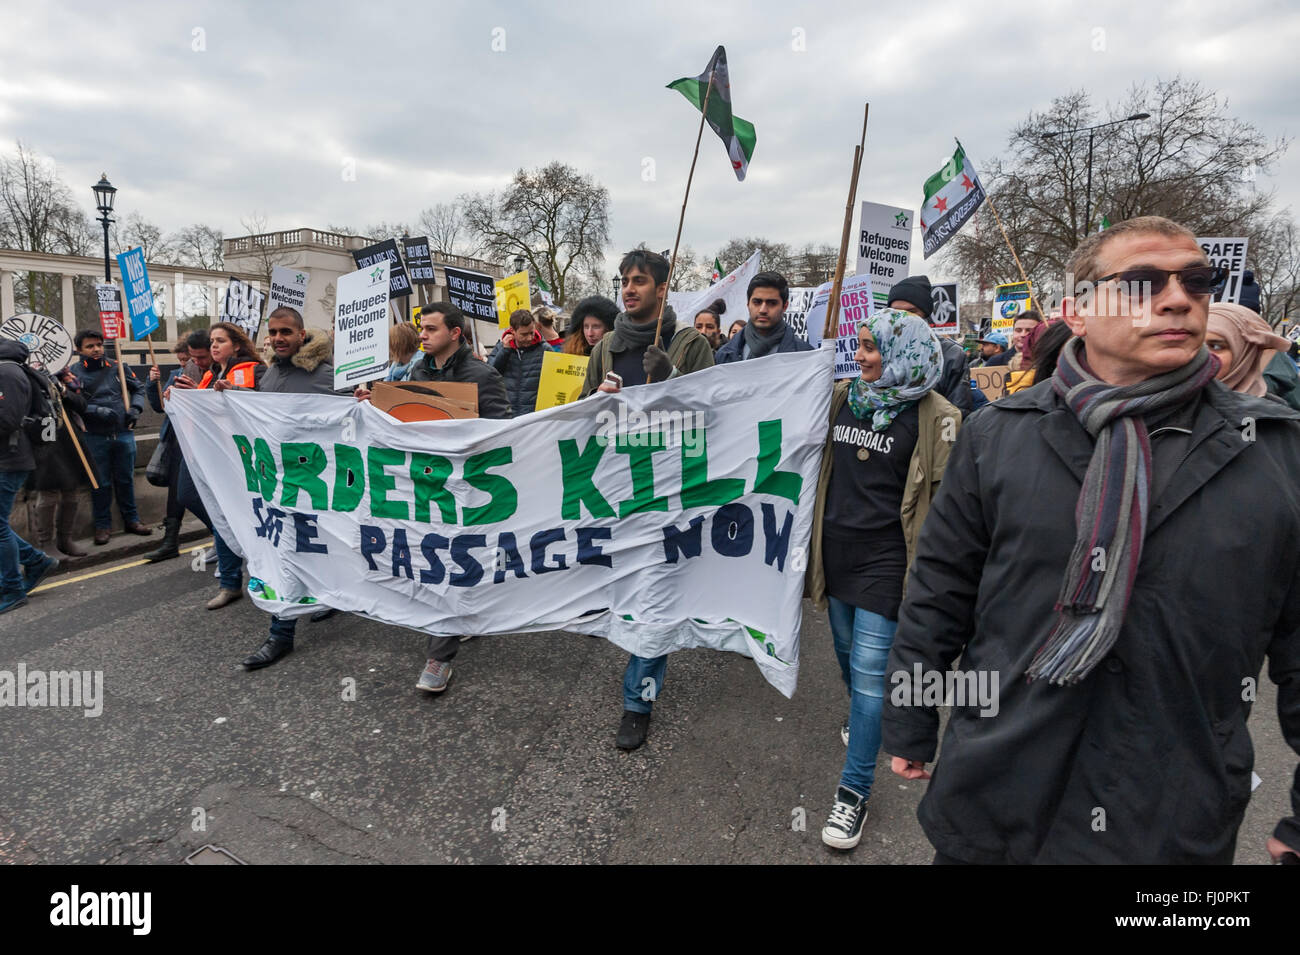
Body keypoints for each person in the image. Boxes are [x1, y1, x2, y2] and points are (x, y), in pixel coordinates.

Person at [883, 215, 1300, 864]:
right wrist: (910, 716)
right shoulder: (998, 436)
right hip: (998, 797)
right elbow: (940, 591)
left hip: (1167, 821)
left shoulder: (1273, 453)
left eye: (1197, 280)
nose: (1177, 298)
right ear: (1076, 310)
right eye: (1141, 282)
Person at [805, 308, 960, 849]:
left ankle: (852, 795)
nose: (863, 356)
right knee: (848, 660)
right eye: (861, 345)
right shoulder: (844, 397)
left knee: (872, 675)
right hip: (836, 554)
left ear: (903, 351)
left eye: (871, 347)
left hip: (888, 563)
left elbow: (948, 505)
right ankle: (864, 720)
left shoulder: (938, 416)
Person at [578, 249, 715, 751]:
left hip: (668, 494)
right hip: (617, 492)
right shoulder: (605, 348)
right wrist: (598, 402)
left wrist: (673, 381)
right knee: (621, 588)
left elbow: (712, 421)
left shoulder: (690, 344)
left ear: (662, 288)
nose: (629, 289)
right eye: (623, 281)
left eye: (639, 281)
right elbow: (580, 421)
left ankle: (638, 699)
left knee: (656, 596)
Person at [357, 302, 512, 693]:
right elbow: (398, 420)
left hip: (465, 484)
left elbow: (504, 430)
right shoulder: (416, 371)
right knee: (438, 561)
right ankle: (444, 644)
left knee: (456, 559)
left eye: (430, 329)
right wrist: (370, 408)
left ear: (455, 333)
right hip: (424, 485)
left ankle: (445, 645)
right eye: (421, 329)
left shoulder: (482, 374)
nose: (421, 335)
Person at [228, 307, 334, 670]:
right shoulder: (270, 374)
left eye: (285, 331)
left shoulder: (328, 376)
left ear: (302, 334)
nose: (277, 338)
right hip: (280, 487)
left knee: (324, 550)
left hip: (321, 487)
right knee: (284, 554)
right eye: (272, 332)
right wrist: (227, 399)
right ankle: (280, 634)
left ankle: (329, 597)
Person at [173, 322, 267, 606]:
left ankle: (252, 576)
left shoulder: (255, 370)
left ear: (236, 345)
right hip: (211, 458)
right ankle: (229, 582)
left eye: (220, 341)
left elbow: (266, 406)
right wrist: (182, 396)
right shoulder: (208, 374)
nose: (214, 346)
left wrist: (236, 391)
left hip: (241, 459)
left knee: (244, 517)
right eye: (212, 341)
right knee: (218, 514)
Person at [67, 330, 152, 545]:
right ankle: (102, 526)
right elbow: (70, 402)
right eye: (90, 346)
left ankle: (132, 520)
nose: (96, 349)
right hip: (94, 436)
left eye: (99, 345)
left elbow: (139, 388)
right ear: (79, 350)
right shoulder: (73, 373)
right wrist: (94, 410)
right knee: (100, 483)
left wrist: (135, 408)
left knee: (126, 479)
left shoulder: (118, 367)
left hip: (123, 433)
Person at [0, 339, 60, 614]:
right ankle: (35, 561)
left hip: (9, 460)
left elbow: (8, 420)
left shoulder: (7, 372)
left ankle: (13, 588)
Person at [144, 328, 213, 562]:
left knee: (191, 494)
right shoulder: (176, 374)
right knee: (177, 493)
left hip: (198, 441)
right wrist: (151, 384)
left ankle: (222, 535)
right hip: (176, 439)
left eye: (189, 359)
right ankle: (170, 541)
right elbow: (160, 406)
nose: (186, 364)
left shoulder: (209, 374)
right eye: (183, 360)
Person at [24, 365, 93, 560]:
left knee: (72, 492)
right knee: (49, 493)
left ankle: (66, 539)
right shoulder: (25, 376)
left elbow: (81, 405)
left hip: (69, 439)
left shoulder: (67, 379)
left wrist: (61, 389)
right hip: (44, 439)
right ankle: (45, 542)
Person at [884, 275, 973, 414]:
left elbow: (959, 412)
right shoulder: (880, 351)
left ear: (925, 314)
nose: (902, 318)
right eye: (895, 312)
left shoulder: (952, 355)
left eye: (911, 312)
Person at [715, 272, 812, 363]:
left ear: (785, 306)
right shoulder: (723, 355)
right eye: (757, 302)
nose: (763, 310)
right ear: (748, 304)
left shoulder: (806, 355)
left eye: (772, 303)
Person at [1205, 302, 1292, 399]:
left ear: (1245, 354)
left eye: (1216, 347)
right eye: (1194, 344)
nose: (1201, 355)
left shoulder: (1270, 412)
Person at [490, 308, 554, 416]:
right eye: (524, 334)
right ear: (512, 331)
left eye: (532, 333)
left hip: (534, 416)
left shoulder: (545, 349)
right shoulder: (500, 348)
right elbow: (491, 375)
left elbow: (555, 382)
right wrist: (505, 351)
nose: (529, 338)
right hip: (507, 414)